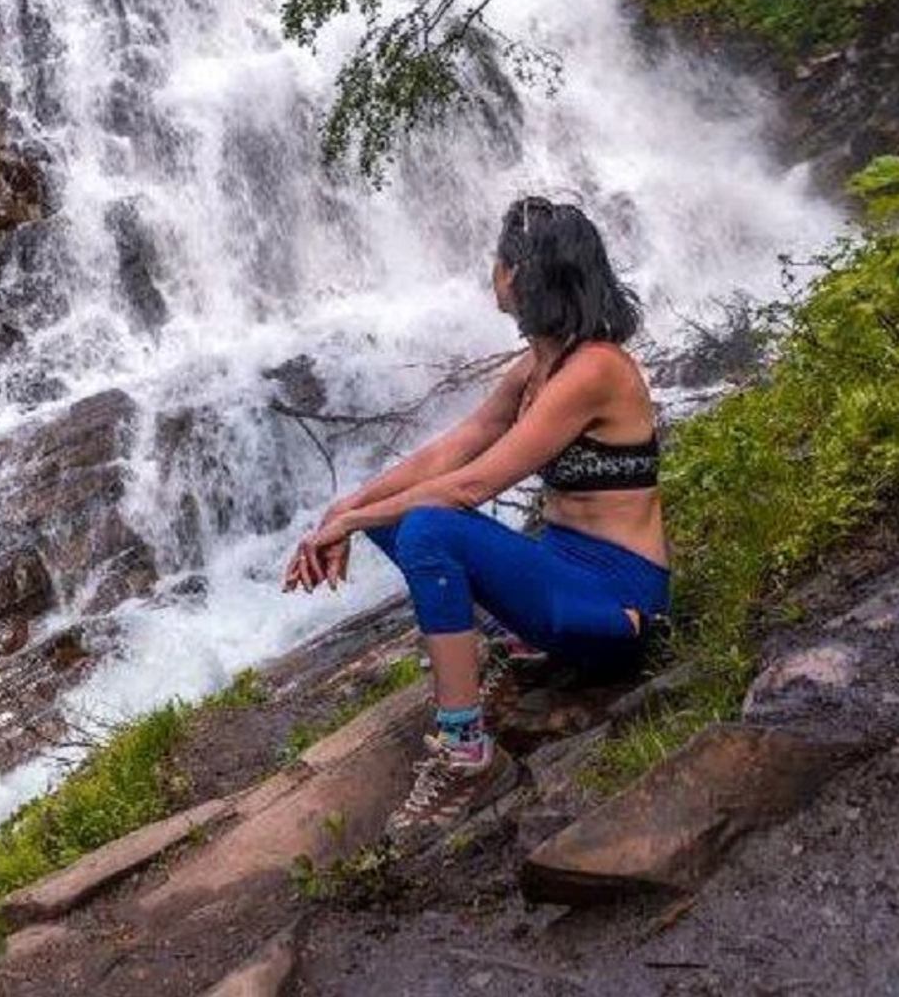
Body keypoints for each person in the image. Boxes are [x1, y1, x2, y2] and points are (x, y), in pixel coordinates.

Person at [282, 195, 669, 835]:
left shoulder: (593, 370)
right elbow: (454, 447)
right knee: (392, 515)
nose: (490, 272)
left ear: (522, 275)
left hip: (617, 604)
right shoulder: (540, 364)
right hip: (562, 579)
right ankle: (514, 654)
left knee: (431, 524)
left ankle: (467, 755)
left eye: (498, 261)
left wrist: (349, 524)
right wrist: (348, 507)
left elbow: (472, 485)